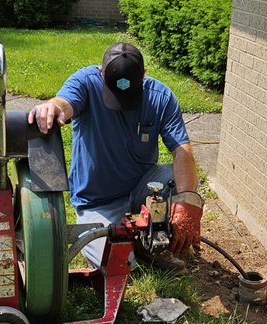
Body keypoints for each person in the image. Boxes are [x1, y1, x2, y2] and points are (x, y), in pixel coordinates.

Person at [28, 42, 203, 271]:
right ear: (101, 73)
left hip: (141, 191)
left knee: (179, 179)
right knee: (118, 266)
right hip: (97, 201)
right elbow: (64, 103)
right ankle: (136, 246)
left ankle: (151, 245)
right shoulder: (85, 82)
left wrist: (188, 203)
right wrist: (52, 107)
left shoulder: (160, 97)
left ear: (144, 75)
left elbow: (182, 150)